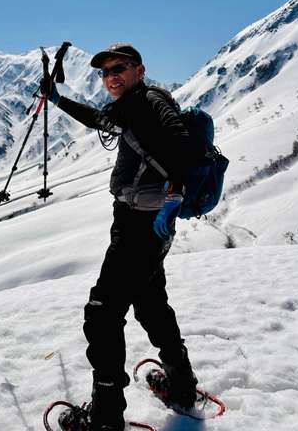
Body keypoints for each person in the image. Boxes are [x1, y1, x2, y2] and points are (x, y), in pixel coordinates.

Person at [41, 43, 199, 431]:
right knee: (150, 302)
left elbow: (181, 142)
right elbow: (100, 120)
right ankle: (181, 385)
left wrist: (174, 195)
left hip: (141, 226)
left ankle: (106, 417)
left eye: (119, 69)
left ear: (139, 71)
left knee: (102, 314)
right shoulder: (131, 105)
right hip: (148, 223)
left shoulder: (150, 102)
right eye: (105, 72)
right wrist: (58, 100)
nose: (111, 77)